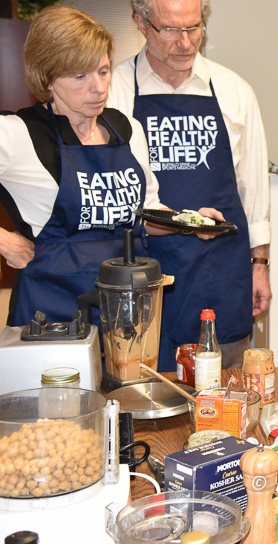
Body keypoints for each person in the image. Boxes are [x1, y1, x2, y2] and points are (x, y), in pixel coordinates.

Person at [0, 6, 220, 331]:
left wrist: (188, 221)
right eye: (80, 76)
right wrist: (4, 242)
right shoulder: (17, 133)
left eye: (103, 71)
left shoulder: (127, 130)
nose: (99, 87)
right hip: (52, 316)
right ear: (47, 78)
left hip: (125, 310)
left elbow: (146, 213)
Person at [108, 0, 272, 371]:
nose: (185, 43)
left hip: (221, 270)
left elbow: (254, 191)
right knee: (147, 385)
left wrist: (260, 264)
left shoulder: (234, 91)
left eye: (194, 28)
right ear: (141, 23)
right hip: (145, 270)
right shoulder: (113, 89)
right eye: (170, 30)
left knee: (226, 389)